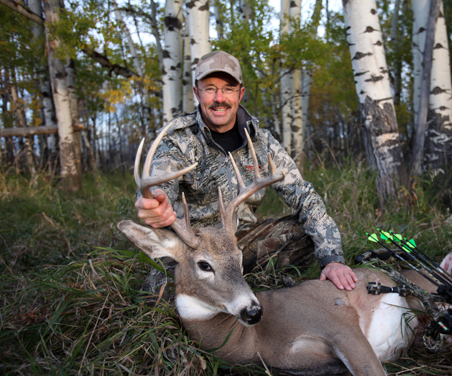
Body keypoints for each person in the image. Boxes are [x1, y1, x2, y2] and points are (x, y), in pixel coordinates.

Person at [135, 50, 357, 293]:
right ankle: (233, 287)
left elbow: (304, 197)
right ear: (197, 93)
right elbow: (157, 192)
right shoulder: (177, 139)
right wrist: (156, 205)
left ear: (240, 94)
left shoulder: (261, 142)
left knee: (304, 234)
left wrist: (333, 259)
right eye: (210, 88)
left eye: (228, 88)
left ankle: (245, 285)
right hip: (192, 246)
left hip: (241, 242)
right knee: (160, 293)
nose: (219, 98)